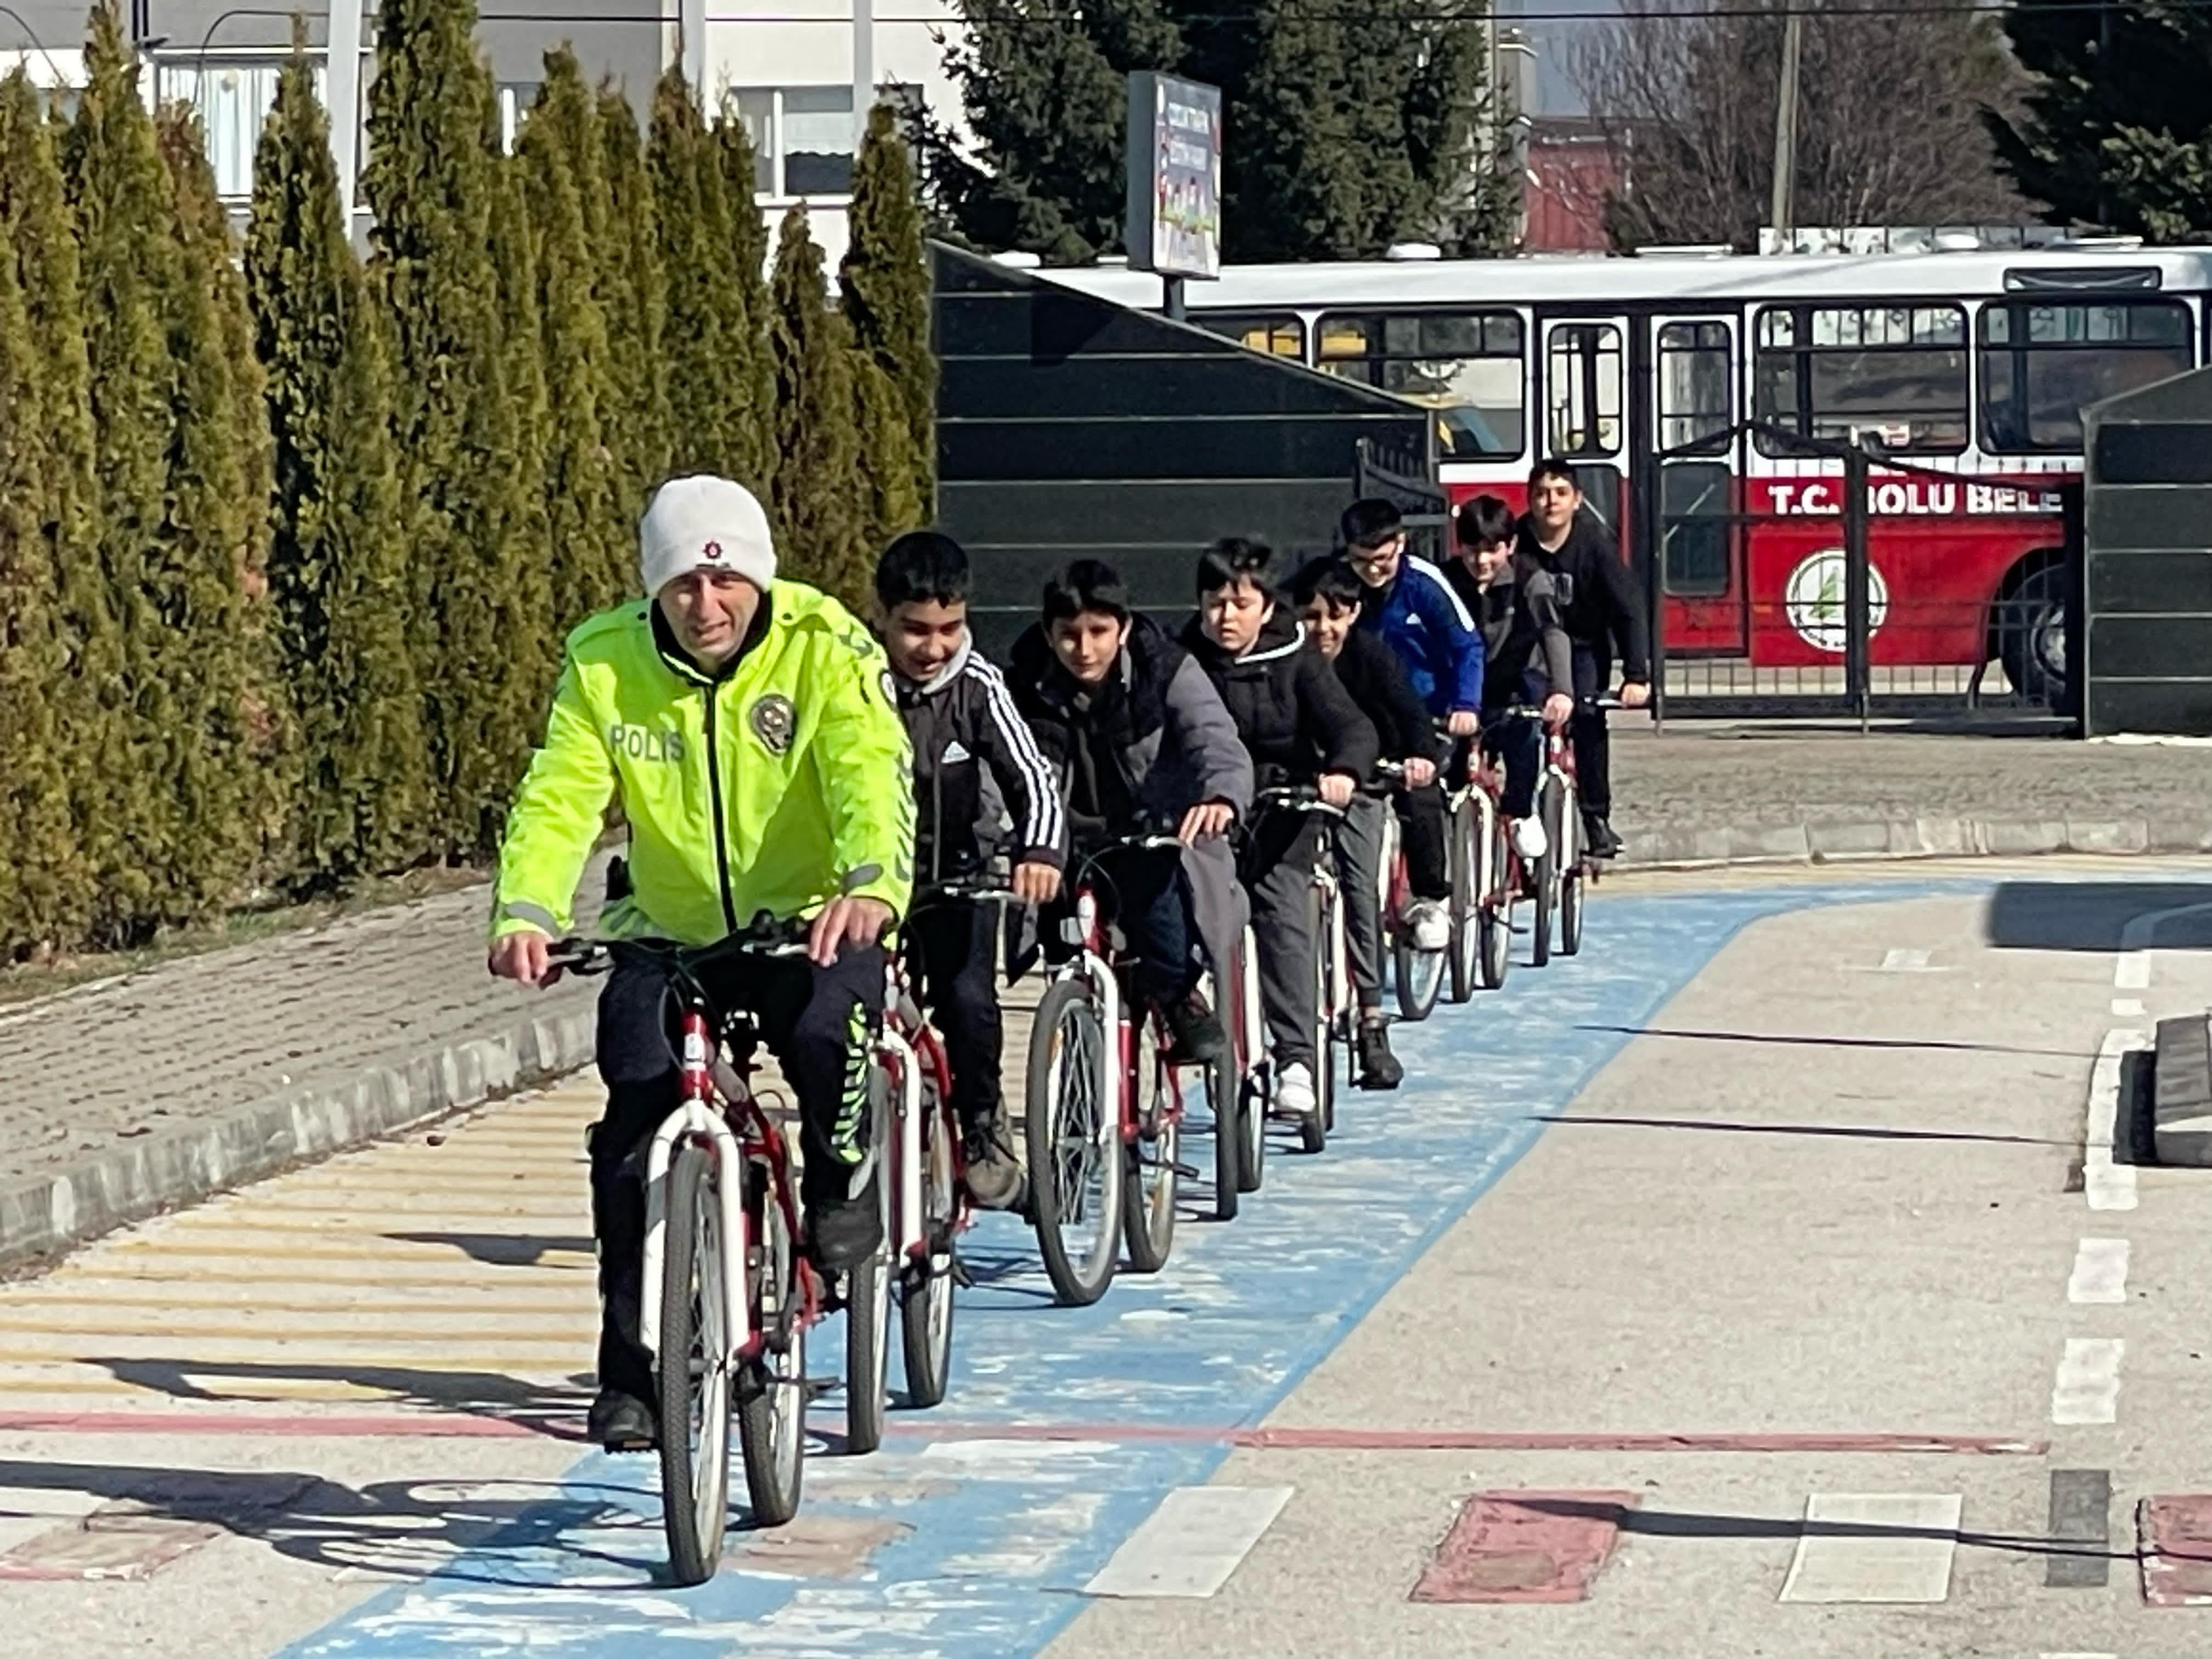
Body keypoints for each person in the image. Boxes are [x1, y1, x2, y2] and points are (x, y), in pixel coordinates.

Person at [488, 475, 915, 1453]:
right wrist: (526, 907)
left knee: (826, 1033)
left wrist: (870, 883)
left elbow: (869, 767)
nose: (706, 605)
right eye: (682, 584)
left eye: (727, 583)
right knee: (634, 1120)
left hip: (813, 918)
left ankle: (841, 1182)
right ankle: (631, 1369)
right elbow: (559, 793)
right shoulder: (604, 660)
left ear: (759, 581)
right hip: (669, 927)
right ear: (655, 589)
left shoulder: (825, 644)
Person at [874, 531, 1066, 1211]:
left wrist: (1038, 853)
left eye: (950, 629)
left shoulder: (977, 685)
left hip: (963, 877)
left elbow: (1033, 780)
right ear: (883, 618)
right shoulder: (851, 681)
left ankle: (983, 1123)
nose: (934, 648)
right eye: (915, 631)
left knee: (968, 1000)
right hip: (872, 887)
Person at [1007, 560, 1252, 1063]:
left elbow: (1216, 740)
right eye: (1069, 634)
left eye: (1099, 631)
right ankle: (1078, 1071)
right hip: (1063, 842)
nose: (1085, 648)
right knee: (1064, 948)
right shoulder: (1023, 683)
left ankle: (1180, 998)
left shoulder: (1166, 668)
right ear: (1048, 634)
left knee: (1162, 936)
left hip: (1147, 834)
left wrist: (1221, 797)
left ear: (1124, 628)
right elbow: (1002, 770)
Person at [1183, 539, 1378, 1122]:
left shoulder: (1296, 657)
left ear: (1267, 609)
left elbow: (1350, 724)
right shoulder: (1178, 660)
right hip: (1207, 815)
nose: (1226, 617)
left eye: (1241, 603)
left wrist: (1342, 771)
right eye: (1215, 602)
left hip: (1281, 809)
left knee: (1281, 914)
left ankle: (1295, 1057)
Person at [1290, 556, 1444, 1089]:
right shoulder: (1286, 660)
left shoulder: (1373, 658)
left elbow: (1411, 715)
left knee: (1359, 889)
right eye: (1310, 617)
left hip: (1367, 784)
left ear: (1353, 614)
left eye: (1333, 616)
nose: (1322, 630)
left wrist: (1420, 758)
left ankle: (1372, 1018)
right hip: (1299, 789)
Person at [1338, 496, 1481, 950]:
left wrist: (1466, 704)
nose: (1373, 571)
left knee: (1420, 791)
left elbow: (1467, 647)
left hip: (1427, 710)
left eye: (1382, 560)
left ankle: (1430, 898)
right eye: (1362, 561)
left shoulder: (1425, 585)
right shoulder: (1336, 584)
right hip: (1363, 713)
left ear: (1401, 544)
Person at [1515, 460, 1653, 857]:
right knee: (1517, 720)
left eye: (1560, 494)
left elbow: (1628, 610)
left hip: (1583, 647)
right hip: (1530, 647)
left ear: (1578, 500)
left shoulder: (1595, 547)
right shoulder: (1516, 542)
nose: (1550, 503)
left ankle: (1595, 818)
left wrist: (1636, 675)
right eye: (1541, 494)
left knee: (1589, 721)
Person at [1450, 494, 1574, 862]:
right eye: (1472, 550)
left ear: (1511, 546)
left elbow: (1553, 632)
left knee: (1523, 736)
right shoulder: (1448, 580)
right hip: (1467, 686)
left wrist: (1561, 690)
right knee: (1451, 760)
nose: (1482, 561)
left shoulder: (1530, 580)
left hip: (1520, 679)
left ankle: (1522, 812)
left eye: (1493, 549)